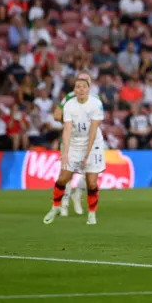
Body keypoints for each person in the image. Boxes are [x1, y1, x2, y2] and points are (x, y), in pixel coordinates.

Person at [44, 76, 105, 226]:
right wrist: (65, 153)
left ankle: (91, 214)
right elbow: (67, 130)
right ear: (75, 90)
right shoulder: (69, 105)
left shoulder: (96, 104)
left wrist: (87, 155)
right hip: (75, 143)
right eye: (78, 87)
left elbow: (93, 131)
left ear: (88, 88)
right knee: (63, 178)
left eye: (84, 86)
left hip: (93, 143)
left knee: (91, 183)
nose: (81, 89)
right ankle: (56, 207)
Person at [52, 72, 92, 216]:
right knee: (67, 173)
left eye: (86, 82)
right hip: (71, 140)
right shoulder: (69, 98)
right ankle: (64, 204)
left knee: (92, 170)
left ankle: (77, 194)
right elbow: (56, 115)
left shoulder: (94, 100)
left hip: (87, 140)